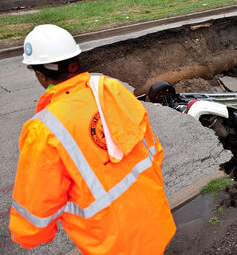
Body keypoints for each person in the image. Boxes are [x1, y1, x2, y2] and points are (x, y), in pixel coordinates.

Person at [9, 24, 176, 254]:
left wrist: (27, 237)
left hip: (114, 246)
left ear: (40, 74)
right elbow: (153, 150)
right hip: (155, 225)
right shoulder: (111, 89)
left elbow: (34, 219)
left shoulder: (44, 130)